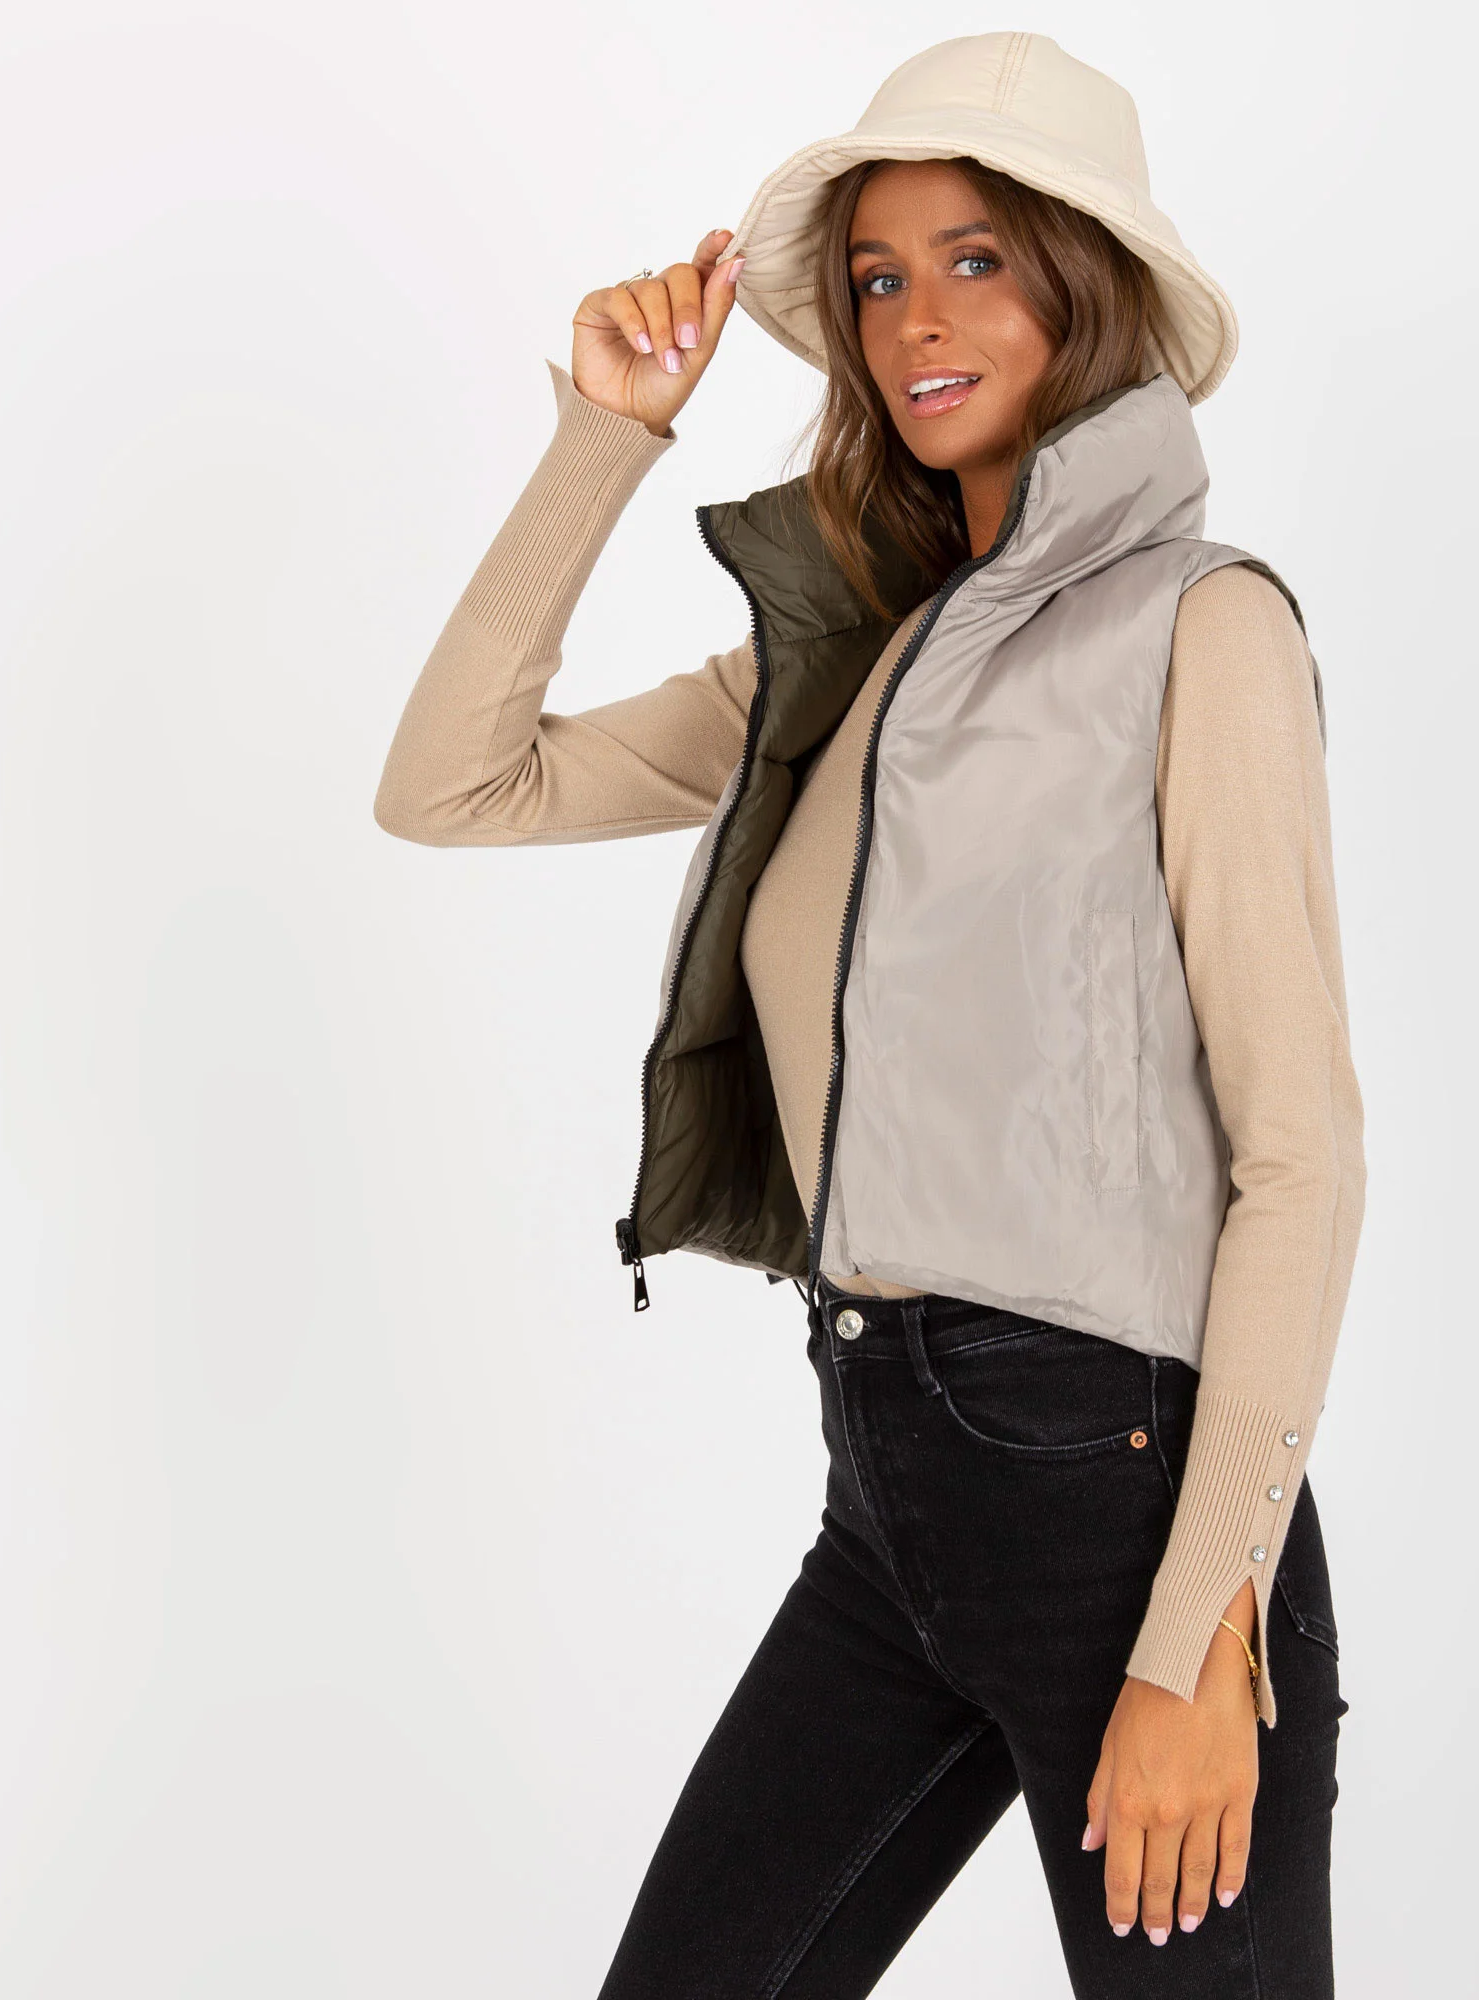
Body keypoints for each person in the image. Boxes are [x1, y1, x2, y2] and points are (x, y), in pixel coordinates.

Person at [374, 31, 1365, 1999]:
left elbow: (1302, 1157)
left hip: (1130, 1506)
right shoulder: (847, 665)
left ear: (1086, 286)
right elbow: (454, 785)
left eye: (976, 260)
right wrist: (605, 437)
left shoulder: (1202, 624)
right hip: (889, 1498)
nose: (916, 318)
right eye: (880, 275)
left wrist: (1199, 1634)